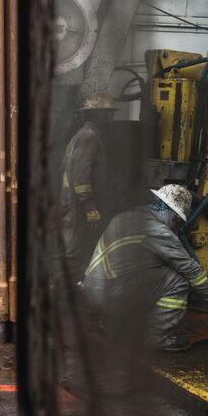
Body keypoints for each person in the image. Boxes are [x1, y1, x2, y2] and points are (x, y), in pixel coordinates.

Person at [80, 184, 208, 352]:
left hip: (92, 291)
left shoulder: (123, 217)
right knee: (180, 278)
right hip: (113, 295)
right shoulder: (159, 232)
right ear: (174, 215)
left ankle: (110, 323)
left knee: (136, 271)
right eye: (177, 221)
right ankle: (159, 338)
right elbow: (192, 271)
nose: (177, 226)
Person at [59, 90, 116, 283]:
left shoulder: (82, 135)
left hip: (73, 202)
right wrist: (90, 207)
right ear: (96, 114)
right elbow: (81, 177)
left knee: (76, 247)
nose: (111, 116)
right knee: (74, 249)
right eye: (107, 112)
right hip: (78, 205)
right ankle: (64, 291)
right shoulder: (89, 137)